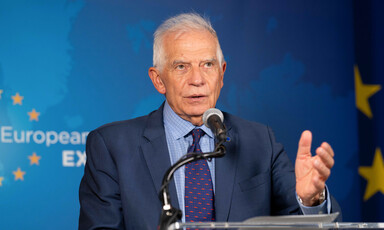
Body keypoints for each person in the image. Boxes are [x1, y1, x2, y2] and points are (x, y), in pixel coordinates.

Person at [79, 13, 341, 230]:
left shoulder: (261, 142)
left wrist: (311, 199)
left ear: (222, 73)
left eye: (207, 64)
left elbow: (302, 222)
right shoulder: (112, 145)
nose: (197, 79)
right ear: (158, 79)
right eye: (181, 66)